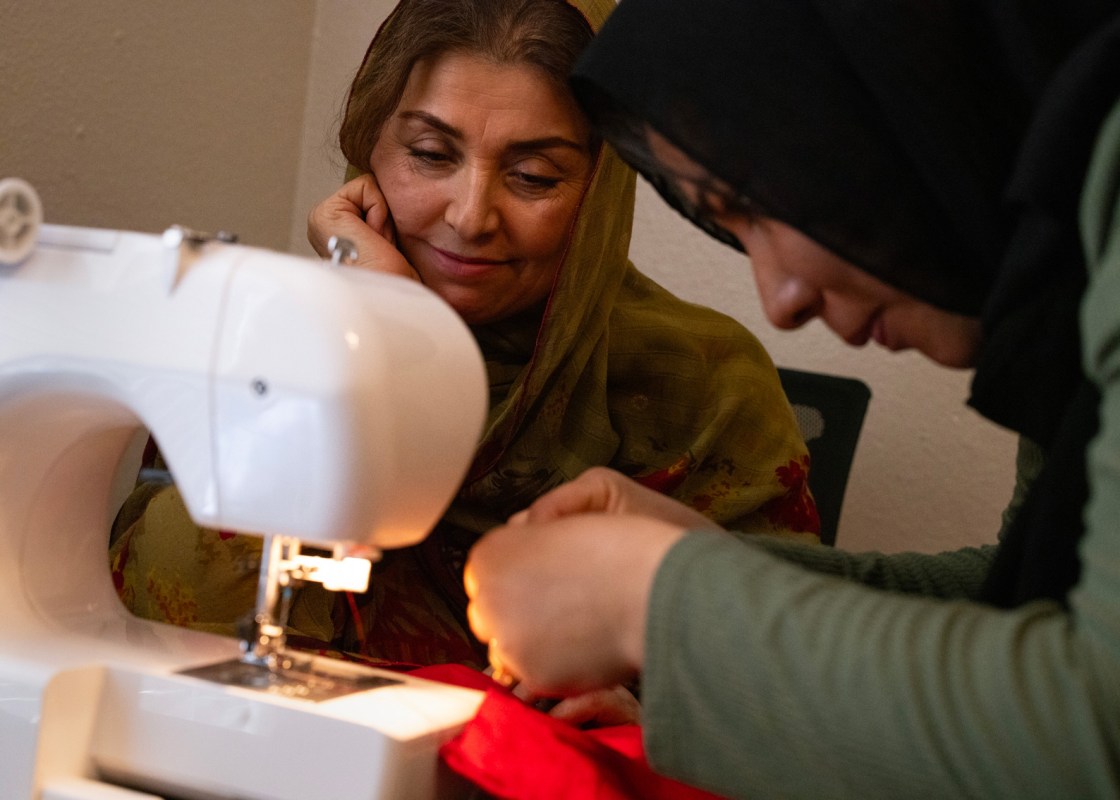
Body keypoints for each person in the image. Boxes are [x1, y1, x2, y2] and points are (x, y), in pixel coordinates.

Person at [463, 0, 1120, 795]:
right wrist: (709, 565)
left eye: (753, 203)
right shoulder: (1075, 263)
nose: (780, 300)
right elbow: (1018, 602)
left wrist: (655, 603)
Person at [110, 0, 819, 683]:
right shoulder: (272, 337)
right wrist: (384, 325)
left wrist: (649, 716)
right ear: (368, 152)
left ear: (602, 191)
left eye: (533, 176)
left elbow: (777, 674)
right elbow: (162, 584)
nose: (472, 216)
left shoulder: (707, 386)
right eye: (429, 153)